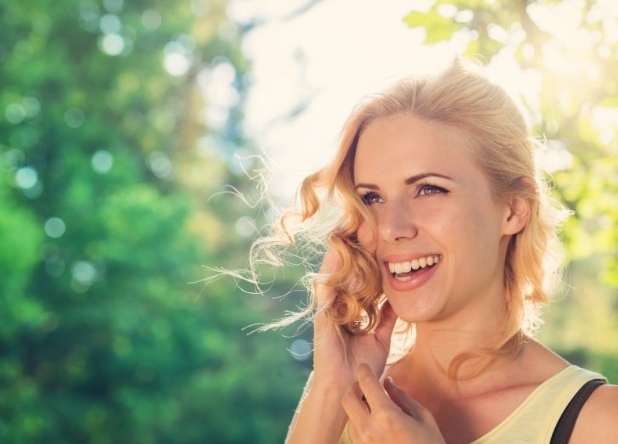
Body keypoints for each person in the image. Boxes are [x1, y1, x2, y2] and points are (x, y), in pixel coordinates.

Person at [252, 58, 618, 443]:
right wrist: (330, 389)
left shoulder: (600, 422)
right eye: (372, 197)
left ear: (513, 209)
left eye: (429, 189)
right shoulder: (346, 407)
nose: (392, 227)